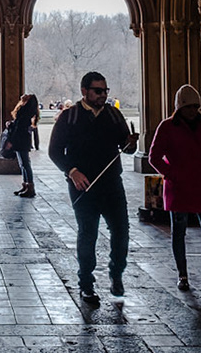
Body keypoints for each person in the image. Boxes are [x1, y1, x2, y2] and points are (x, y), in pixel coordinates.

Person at [48, 70, 139, 304]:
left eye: (105, 91)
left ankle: (116, 273)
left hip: (111, 184)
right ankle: (86, 283)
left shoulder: (114, 115)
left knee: (121, 231)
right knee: (88, 234)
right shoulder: (70, 117)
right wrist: (72, 171)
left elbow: (125, 148)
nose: (103, 95)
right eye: (98, 91)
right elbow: (55, 151)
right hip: (83, 186)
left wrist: (130, 144)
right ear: (84, 91)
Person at [149, 84, 201, 293]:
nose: (193, 111)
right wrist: (172, 174)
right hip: (179, 186)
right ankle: (182, 275)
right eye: (189, 107)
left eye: (196, 106)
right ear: (179, 107)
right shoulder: (167, 127)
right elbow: (154, 156)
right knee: (178, 232)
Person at [6, 93, 40, 198]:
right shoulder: (26, 111)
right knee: (23, 164)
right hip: (22, 139)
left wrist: (11, 139)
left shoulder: (26, 111)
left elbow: (19, 126)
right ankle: (26, 185)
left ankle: (30, 186)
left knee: (25, 163)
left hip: (21, 139)